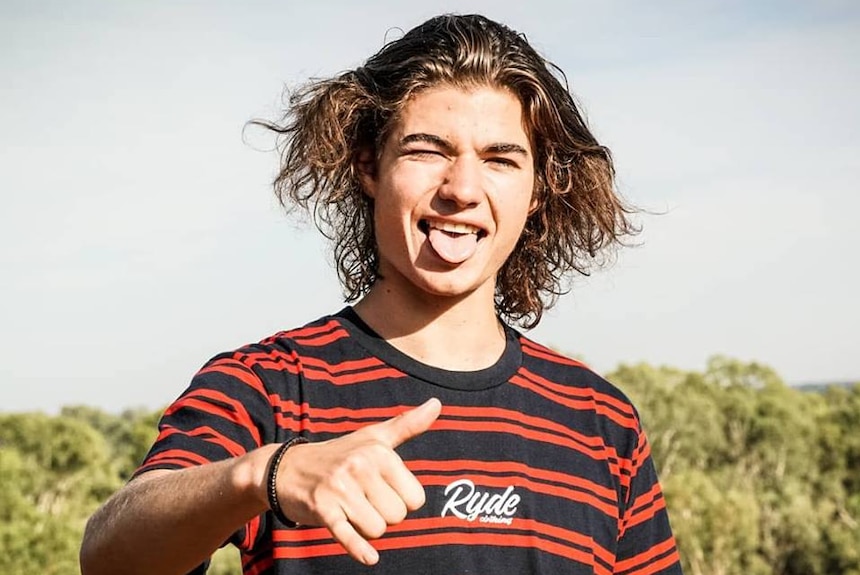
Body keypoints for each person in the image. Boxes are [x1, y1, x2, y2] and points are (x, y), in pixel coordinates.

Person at [80, 13, 682, 575]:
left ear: (539, 189)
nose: (463, 189)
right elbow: (108, 557)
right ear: (369, 166)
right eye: (428, 151)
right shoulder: (266, 386)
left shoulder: (602, 421)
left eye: (500, 159)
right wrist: (263, 473)